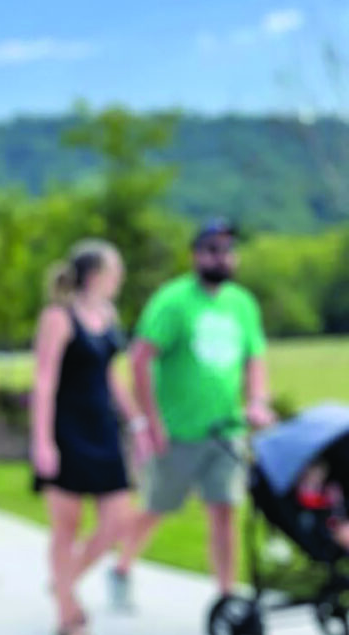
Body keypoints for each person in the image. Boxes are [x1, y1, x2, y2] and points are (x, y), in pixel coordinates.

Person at [109, 219, 276, 609]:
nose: (223, 257)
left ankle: (226, 595)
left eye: (228, 250)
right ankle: (121, 566)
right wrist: (151, 422)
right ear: (197, 255)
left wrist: (257, 400)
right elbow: (140, 360)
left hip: (225, 430)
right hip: (177, 432)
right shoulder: (173, 301)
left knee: (225, 512)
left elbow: (255, 359)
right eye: (214, 249)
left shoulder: (242, 303)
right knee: (155, 509)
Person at [30, 239, 152, 635]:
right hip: (66, 432)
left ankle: (64, 582)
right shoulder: (58, 317)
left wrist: (136, 422)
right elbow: (44, 381)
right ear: (97, 274)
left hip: (102, 431)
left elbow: (110, 375)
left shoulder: (107, 314)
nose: (120, 279)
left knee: (120, 519)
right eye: (116, 271)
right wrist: (43, 442)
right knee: (67, 526)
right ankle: (68, 614)